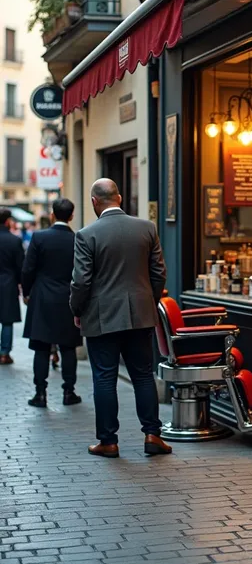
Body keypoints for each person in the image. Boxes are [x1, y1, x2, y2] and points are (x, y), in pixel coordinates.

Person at [70, 178, 170, 459]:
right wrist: (149, 302)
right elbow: (159, 273)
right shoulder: (146, 228)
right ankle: (152, 435)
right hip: (140, 314)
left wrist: (77, 311)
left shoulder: (86, 234)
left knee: (104, 378)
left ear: (94, 202)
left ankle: (108, 441)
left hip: (101, 317)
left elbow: (81, 282)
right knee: (142, 375)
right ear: (120, 198)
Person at [22, 199, 81, 408]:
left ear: (52, 215)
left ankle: (40, 393)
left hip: (42, 298)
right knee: (68, 347)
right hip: (68, 299)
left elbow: (28, 269)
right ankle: (69, 392)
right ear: (71, 216)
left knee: (41, 347)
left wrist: (26, 293)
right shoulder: (77, 239)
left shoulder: (39, 237)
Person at [0, 208, 24, 364]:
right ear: (8, 221)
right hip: (8, 284)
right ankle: (4, 353)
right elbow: (21, 267)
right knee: (7, 321)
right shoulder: (14, 240)